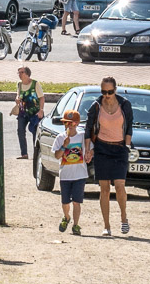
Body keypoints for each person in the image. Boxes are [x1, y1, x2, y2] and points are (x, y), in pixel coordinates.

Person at [85, 76, 134, 234]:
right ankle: (106, 226)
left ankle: (124, 218)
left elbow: (129, 127)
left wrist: (127, 146)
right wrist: (88, 149)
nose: (106, 95)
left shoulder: (125, 105)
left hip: (119, 149)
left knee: (120, 186)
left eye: (110, 92)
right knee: (104, 189)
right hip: (102, 149)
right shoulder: (96, 106)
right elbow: (88, 129)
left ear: (115, 90)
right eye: (104, 92)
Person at [51, 109, 88, 235]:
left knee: (77, 201)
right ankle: (66, 217)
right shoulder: (60, 138)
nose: (68, 126)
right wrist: (64, 146)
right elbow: (57, 156)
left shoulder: (82, 137)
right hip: (65, 175)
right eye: (65, 123)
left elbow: (89, 149)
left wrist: (90, 153)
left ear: (77, 123)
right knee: (65, 202)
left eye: (71, 123)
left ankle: (76, 225)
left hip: (80, 174)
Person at [11, 66, 42, 157]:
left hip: (34, 112)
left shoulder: (35, 84)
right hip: (23, 112)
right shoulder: (19, 84)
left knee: (35, 132)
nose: (19, 75)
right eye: (18, 73)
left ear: (27, 74)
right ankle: (24, 154)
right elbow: (18, 95)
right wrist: (17, 99)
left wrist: (41, 110)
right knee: (20, 131)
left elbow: (42, 98)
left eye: (22, 72)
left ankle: (36, 155)